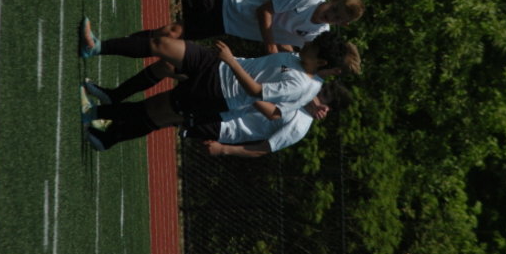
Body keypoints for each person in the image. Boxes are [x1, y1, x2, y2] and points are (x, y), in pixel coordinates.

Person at [79, 17, 357, 129]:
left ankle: (97, 114)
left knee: (154, 109)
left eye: (313, 47)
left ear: (321, 62)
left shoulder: (302, 84)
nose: (307, 44)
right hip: (216, 65)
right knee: (162, 45)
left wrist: (232, 62)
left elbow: (257, 92)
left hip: (219, 93)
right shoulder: (300, 59)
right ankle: (96, 47)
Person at [87, 0, 364, 54]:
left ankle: (115, 45)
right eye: (335, 9)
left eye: (338, 18)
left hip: (227, 22)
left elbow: (291, 48)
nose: (331, 16)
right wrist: (271, 47)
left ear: (343, 25)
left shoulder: (318, 34)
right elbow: (265, 11)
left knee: (168, 35)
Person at [82, 78, 351, 155]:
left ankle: (102, 119)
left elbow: (264, 148)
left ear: (325, 110)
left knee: (161, 114)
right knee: (159, 114)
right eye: (324, 88)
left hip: (223, 126)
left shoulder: (299, 125)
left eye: (324, 95)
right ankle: (108, 130)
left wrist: (224, 149)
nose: (319, 92)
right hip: (225, 107)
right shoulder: (303, 90)